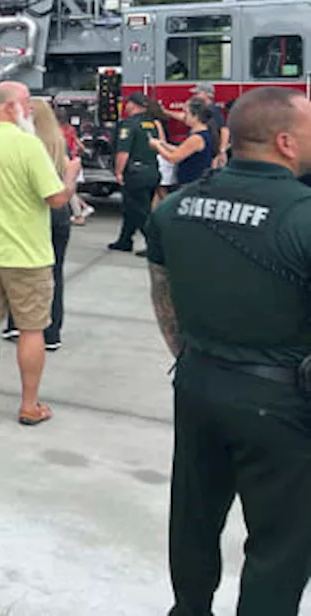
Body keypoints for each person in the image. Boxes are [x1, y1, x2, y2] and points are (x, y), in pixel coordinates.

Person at [145, 87, 311, 616]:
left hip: (197, 383)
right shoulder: (302, 216)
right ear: (286, 142)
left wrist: (198, 357)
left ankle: (188, 609)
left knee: (194, 517)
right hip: (281, 404)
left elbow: (163, 295)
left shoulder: (175, 209)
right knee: (281, 543)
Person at [0, 81, 80, 426]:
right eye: (25, 104)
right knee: (32, 329)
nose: (29, 111)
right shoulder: (28, 146)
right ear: (9, 107)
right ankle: (29, 404)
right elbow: (55, 199)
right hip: (28, 255)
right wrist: (70, 177)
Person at [4, 98, 74, 352]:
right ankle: (52, 331)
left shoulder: (25, 142)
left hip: (33, 209)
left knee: (21, 269)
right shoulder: (57, 140)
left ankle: (17, 322)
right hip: (59, 212)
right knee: (54, 272)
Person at [109, 92, 163, 255]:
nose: (126, 106)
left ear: (133, 105)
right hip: (152, 171)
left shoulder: (128, 125)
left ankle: (156, 246)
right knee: (130, 208)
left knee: (141, 212)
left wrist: (118, 172)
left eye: (128, 103)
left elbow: (123, 151)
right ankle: (125, 240)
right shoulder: (152, 124)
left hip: (135, 173)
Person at [150, 96, 216, 191]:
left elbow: (173, 158)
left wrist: (157, 146)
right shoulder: (200, 133)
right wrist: (164, 144)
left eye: (186, 113)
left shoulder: (197, 138)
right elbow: (183, 150)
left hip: (192, 184)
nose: (184, 117)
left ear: (195, 116)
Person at [165, 82, 230, 166]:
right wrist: (166, 112)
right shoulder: (205, 109)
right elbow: (185, 117)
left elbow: (224, 129)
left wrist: (222, 150)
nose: (194, 96)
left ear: (206, 94)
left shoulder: (213, 110)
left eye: (197, 93)